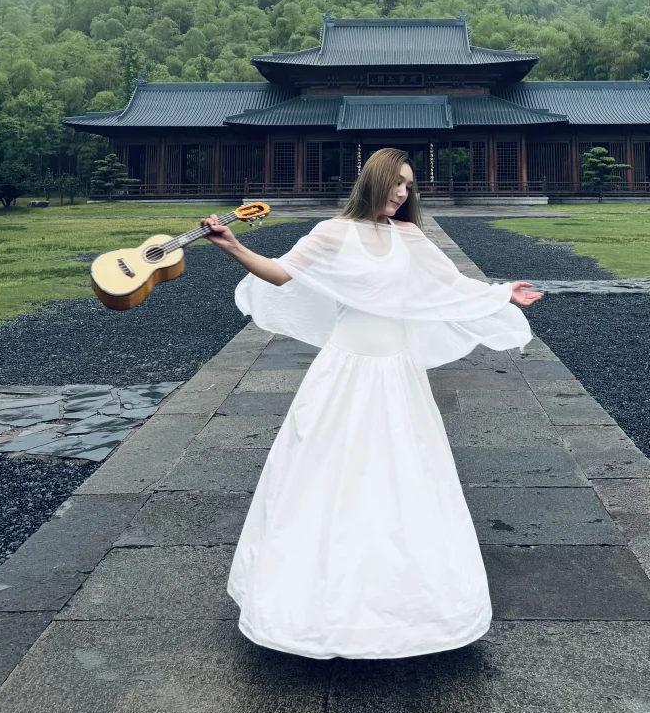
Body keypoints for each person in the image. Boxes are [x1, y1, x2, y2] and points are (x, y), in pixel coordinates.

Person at [202, 147, 543, 661]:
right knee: (321, 475)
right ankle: (306, 607)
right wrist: (230, 245)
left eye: (409, 185)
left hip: (396, 373)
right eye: (396, 183)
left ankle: (412, 609)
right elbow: (280, 273)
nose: (402, 193)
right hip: (344, 372)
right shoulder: (333, 232)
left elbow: (452, 286)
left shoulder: (411, 237)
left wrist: (500, 294)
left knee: (405, 476)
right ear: (374, 181)